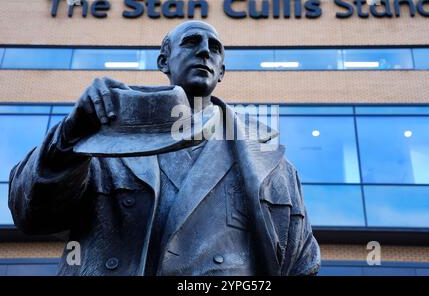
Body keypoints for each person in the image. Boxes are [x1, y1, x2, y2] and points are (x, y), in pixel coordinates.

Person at [8, 21, 320, 276]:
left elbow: (301, 265)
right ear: (163, 61)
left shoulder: (268, 161)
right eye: (191, 42)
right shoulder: (105, 136)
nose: (204, 52)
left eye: (215, 48)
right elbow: (32, 214)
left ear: (222, 71)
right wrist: (70, 134)